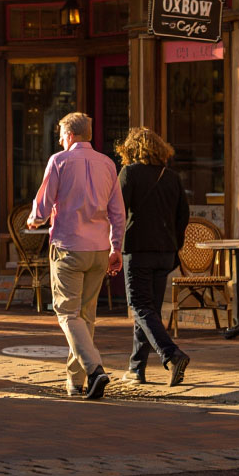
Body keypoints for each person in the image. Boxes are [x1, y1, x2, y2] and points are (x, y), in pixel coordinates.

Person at [28, 112, 125, 400]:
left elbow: (43, 205)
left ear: (70, 135)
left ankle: (95, 370)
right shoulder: (108, 164)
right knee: (86, 316)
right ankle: (75, 381)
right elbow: (118, 212)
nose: (59, 140)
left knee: (67, 313)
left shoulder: (59, 160)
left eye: (60, 135)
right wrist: (116, 247)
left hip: (68, 246)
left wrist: (35, 219)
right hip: (98, 248)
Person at [115, 127, 193, 387]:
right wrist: (175, 245)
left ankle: (172, 354)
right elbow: (184, 215)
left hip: (138, 250)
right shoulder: (171, 177)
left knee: (139, 307)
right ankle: (136, 368)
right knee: (150, 311)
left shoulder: (129, 173)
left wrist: (112, 245)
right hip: (165, 252)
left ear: (132, 150)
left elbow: (117, 211)